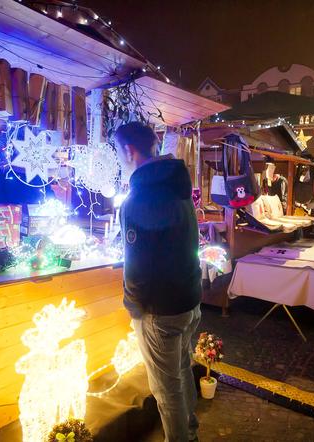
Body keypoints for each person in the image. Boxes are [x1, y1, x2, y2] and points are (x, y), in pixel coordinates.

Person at [115, 122, 202, 442]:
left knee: (166, 391)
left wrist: (132, 304)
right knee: (182, 372)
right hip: (189, 301)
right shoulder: (176, 185)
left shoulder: (138, 198)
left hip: (161, 310)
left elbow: (135, 268)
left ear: (129, 151)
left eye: (118, 152)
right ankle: (190, 430)